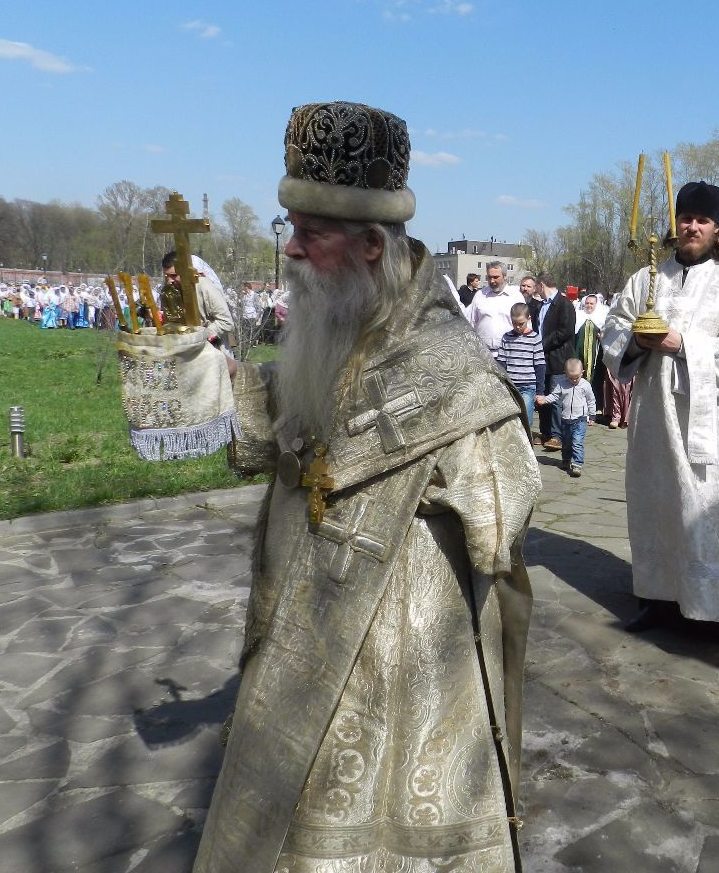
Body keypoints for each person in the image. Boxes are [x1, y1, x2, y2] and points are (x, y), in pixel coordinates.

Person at [194, 101, 538, 873]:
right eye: (292, 228)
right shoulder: (336, 319)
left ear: (371, 245)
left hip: (401, 641)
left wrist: (453, 474)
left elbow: (506, 506)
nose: (291, 249)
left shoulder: (449, 357)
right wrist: (216, 382)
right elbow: (290, 418)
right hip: (300, 615)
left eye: (309, 235)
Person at [601, 180, 719, 639]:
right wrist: (635, 340)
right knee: (655, 500)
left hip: (704, 416)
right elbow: (614, 327)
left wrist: (679, 343)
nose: (692, 227)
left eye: (702, 221)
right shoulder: (646, 277)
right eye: (686, 218)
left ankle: (711, 607)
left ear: (716, 228)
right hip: (652, 411)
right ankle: (658, 597)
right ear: (676, 222)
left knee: (704, 503)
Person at [533, 271, 576, 453]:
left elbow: (564, 332)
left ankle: (557, 436)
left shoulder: (565, 304)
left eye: (537, 288)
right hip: (541, 359)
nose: (536, 292)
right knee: (541, 396)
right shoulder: (540, 306)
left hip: (558, 358)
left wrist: (541, 344)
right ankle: (545, 432)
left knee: (555, 397)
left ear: (542, 285)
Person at [536, 356, 595, 477]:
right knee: (566, 443)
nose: (573, 381)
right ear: (565, 374)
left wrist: (592, 415)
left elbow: (591, 400)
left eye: (577, 377)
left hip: (580, 419)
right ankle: (566, 460)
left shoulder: (585, 385)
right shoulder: (562, 384)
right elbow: (554, 396)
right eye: (570, 378)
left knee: (577, 441)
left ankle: (577, 464)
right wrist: (544, 399)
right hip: (566, 419)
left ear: (582, 373)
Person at [496, 301, 545, 436]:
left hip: (528, 386)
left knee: (526, 420)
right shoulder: (507, 337)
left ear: (529, 319)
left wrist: (540, 391)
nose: (518, 327)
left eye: (521, 323)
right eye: (514, 323)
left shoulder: (535, 338)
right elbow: (501, 362)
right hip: (511, 386)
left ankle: (527, 447)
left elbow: (540, 365)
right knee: (511, 420)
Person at [467, 261, 520, 357]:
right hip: (484, 354)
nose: (492, 281)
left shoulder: (515, 297)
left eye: (496, 277)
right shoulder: (480, 295)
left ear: (504, 276)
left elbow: (525, 325)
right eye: (489, 277)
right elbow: (471, 323)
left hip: (509, 354)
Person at [575, 294, 605, 419]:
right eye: (587, 303)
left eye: (592, 303)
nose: (589, 306)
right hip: (579, 354)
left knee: (594, 380)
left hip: (595, 357)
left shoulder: (600, 318)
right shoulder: (579, 316)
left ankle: (593, 408)